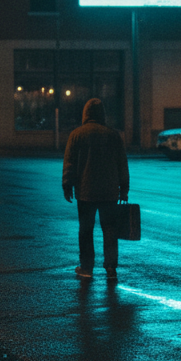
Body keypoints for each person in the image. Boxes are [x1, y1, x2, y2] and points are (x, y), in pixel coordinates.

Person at [62, 98, 129, 281]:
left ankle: (86, 267)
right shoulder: (113, 135)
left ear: (85, 114)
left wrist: (67, 185)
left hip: (85, 191)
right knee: (109, 229)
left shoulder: (76, 135)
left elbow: (69, 163)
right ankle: (111, 267)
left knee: (86, 229)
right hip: (109, 192)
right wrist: (124, 189)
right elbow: (122, 164)